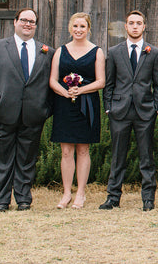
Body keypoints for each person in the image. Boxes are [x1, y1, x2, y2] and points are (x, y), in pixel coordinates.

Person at [0, 8, 55, 211]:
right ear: (15, 22)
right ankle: (2, 200)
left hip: (32, 115)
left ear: (36, 25)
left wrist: (46, 110)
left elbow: (52, 83)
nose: (28, 24)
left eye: (32, 22)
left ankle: (23, 198)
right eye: (24, 20)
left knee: (27, 160)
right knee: (2, 160)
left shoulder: (46, 51)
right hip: (1, 113)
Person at [101, 10, 158, 211]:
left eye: (139, 23)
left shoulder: (153, 52)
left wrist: (156, 108)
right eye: (131, 23)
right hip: (119, 111)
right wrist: (109, 108)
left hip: (145, 111)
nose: (135, 26)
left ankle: (148, 198)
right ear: (126, 27)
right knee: (118, 156)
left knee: (146, 156)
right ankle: (113, 198)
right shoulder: (114, 52)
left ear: (144, 26)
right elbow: (109, 83)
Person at [49, 12, 106, 209]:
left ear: (88, 29)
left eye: (82, 26)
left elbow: (101, 81)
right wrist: (64, 92)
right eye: (75, 26)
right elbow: (52, 80)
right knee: (66, 151)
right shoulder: (60, 51)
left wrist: (80, 90)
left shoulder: (96, 51)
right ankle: (66, 193)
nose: (78, 30)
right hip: (64, 104)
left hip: (87, 104)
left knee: (83, 149)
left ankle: (81, 192)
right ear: (70, 28)